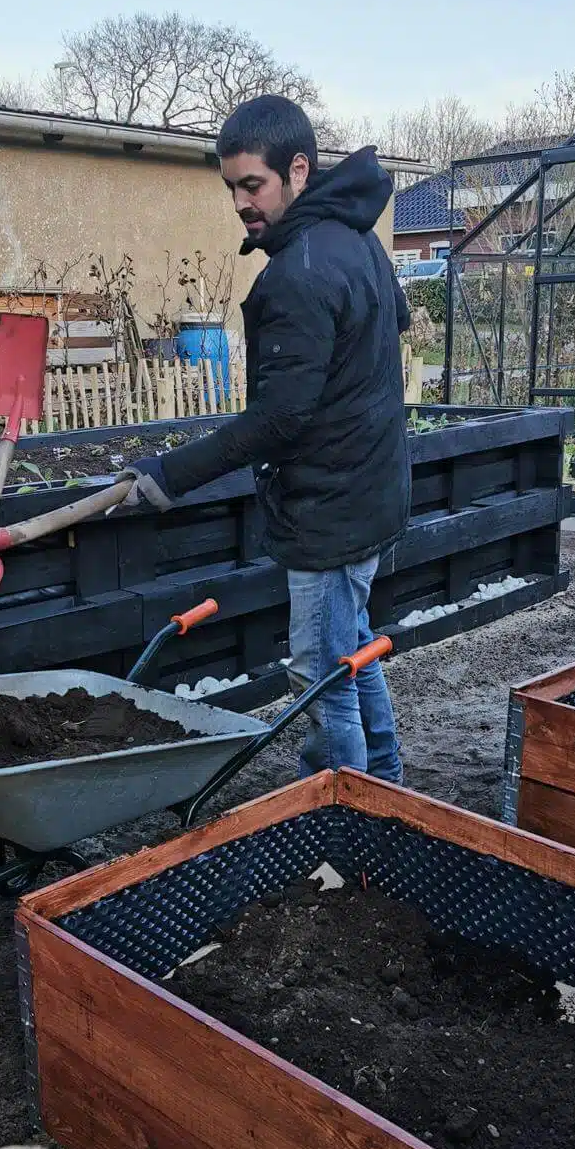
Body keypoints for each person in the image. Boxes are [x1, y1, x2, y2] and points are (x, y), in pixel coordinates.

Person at [120, 94, 410, 783]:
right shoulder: (355, 238)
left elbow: (280, 418)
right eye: (232, 189)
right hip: (368, 491)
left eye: (253, 184)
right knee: (352, 647)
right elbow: (395, 315)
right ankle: (387, 780)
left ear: (298, 170)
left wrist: (170, 472)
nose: (242, 203)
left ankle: (343, 805)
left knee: (320, 672)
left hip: (331, 509)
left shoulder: (299, 274)